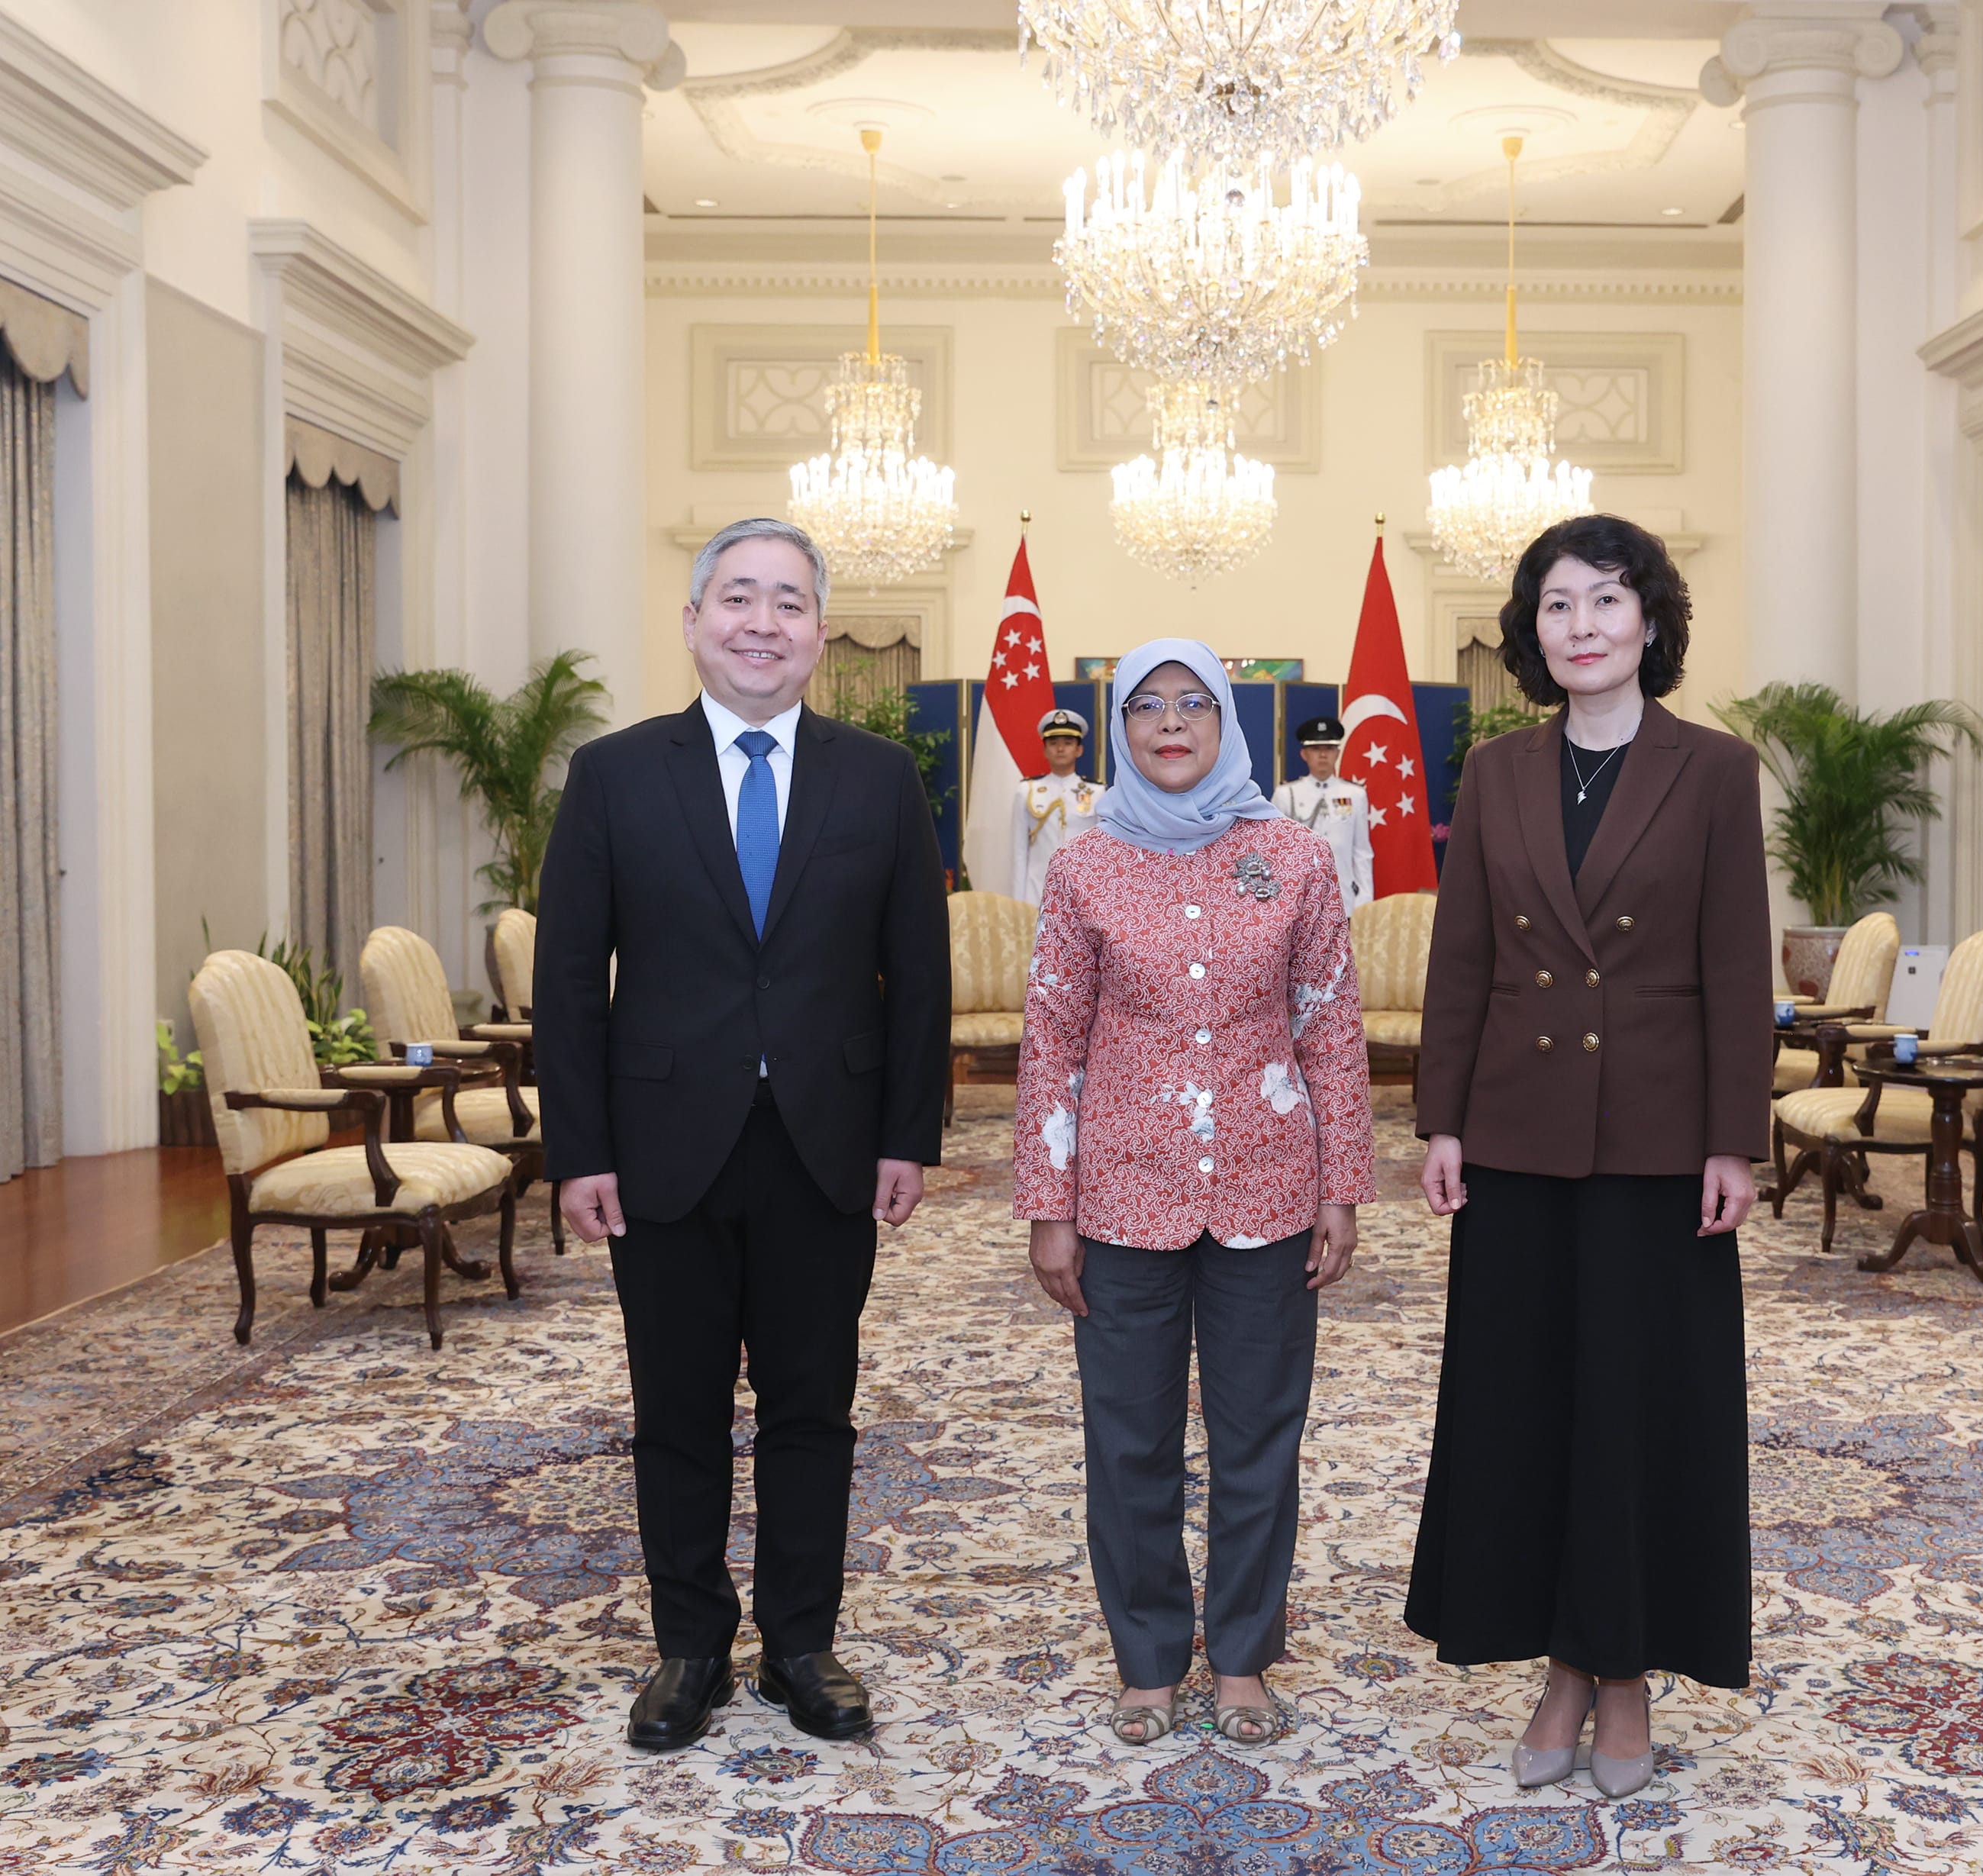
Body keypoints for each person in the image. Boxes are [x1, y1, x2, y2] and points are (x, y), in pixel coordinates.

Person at [534, 517, 950, 1753]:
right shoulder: (615, 774)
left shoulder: (878, 777)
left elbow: (918, 976)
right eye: (737, 597)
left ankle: (802, 1642)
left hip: (826, 1143)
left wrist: (907, 1134)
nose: (761, 622)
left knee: (813, 1405)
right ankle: (690, 1646)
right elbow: (569, 979)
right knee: (675, 1406)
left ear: (821, 632)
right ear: (693, 620)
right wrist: (579, 1149)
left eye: (788, 602)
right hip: (661, 1144)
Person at [1403, 514, 1770, 1800]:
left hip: (1657, 1146)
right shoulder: (1496, 771)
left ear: (1651, 620)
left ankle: (1621, 1675)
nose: (1584, 625)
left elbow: (1736, 965)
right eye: (1558, 605)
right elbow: (1462, 958)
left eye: (1608, 599)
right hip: (1516, 1138)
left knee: (1635, 1415)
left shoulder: (1713, 769)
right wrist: (1442, 1117)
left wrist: (1735, 1138)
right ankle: (1559, 1661)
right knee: (1528, 1411)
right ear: (1532, 632)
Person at [1014, 639, 1376, 1750]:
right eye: (1146, 706)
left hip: (1271, 1187)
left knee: (1259, 1436)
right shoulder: (1083, 864)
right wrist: (1049, 1205)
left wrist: (1342, 1184)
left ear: (1227, 721)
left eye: (1192, 704)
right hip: (1123, 1191)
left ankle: (1244, 1656)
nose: (1170, 723)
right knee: (1129, 1440)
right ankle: (1148, 1660)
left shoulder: (1294, 856)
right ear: (1119, 728)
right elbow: (1051, 1039)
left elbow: (1330, 1025)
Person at [1272, 715, 1375, 914]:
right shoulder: (1287, 794)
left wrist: (1364, 899)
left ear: (1337, 753)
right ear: (1304, 754)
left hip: (1343, 897)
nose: (1322, 755)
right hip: (1299, 897)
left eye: (1328, 749)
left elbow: (1361, 851)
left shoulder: (1355, 795)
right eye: (1315, 749)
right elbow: (1277, 851)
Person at [1012, 706, 1101, 904]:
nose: (1060, 749)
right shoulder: (1027, 791)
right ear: (1044, 750)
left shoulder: (1097, 793)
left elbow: (1102, 852)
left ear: (1079, 750)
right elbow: (1019, 852)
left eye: (1068, 743)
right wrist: (1018, 904)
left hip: (1082, 893)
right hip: (1037, 893)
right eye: (1053, 743)